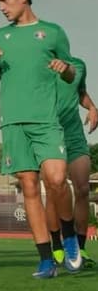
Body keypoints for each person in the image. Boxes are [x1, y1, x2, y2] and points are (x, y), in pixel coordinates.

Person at [0, 0, 81, 278]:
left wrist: (64, 69)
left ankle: (68, 239)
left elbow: (71, 74)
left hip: (46, 121)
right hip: (14, 123)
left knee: (56, 180)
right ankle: (45, 259)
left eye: (5, 0)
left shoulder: (52, 33)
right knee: (29, 187)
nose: (1, 7)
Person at [45, 57, 98, 268]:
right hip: (48, 133)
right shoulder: (41, 63)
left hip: (74, 134)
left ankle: (80, 247)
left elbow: (80, 92)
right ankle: (57, 247)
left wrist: (93, 108)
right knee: (53, 190)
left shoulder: (79, 65)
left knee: (83, 189)